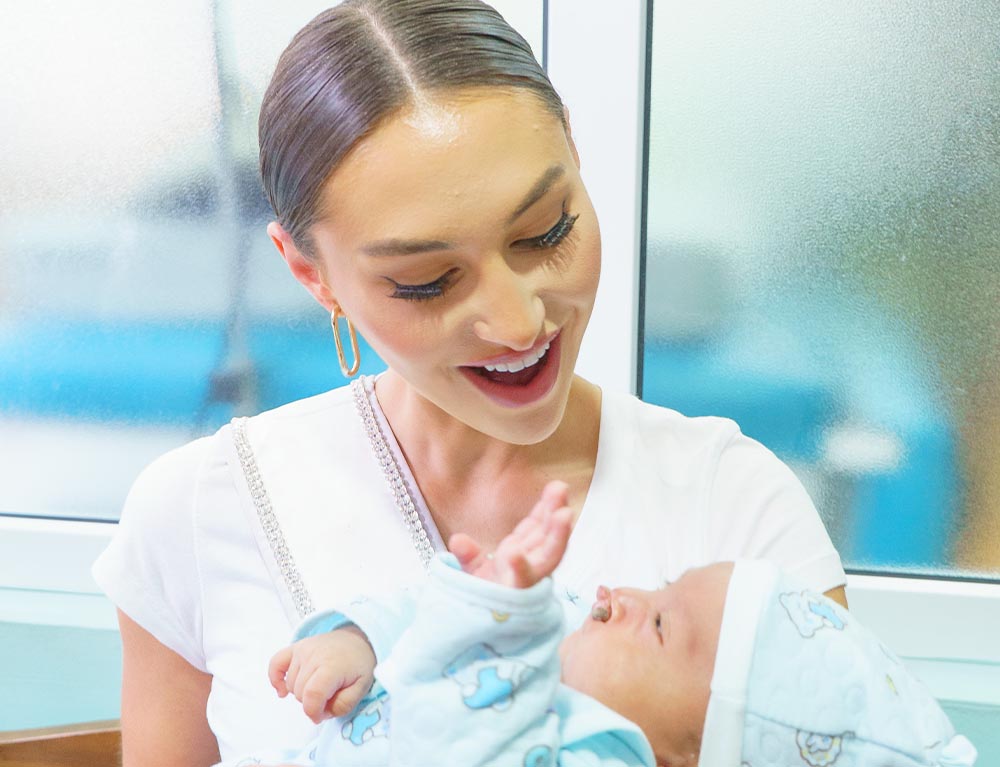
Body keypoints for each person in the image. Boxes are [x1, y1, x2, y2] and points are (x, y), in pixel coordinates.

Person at [91, 2, 848, 765]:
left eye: (547, 231)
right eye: (427, 281)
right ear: (310, 273)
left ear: (578, 158)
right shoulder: (199, 510)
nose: (520, 324)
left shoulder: (733, 508)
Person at [261, 482, 976, 767]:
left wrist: (495, 622)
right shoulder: (561, 620)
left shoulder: (596, 756)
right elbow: (420, 607)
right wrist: (355, 638)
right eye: (661, 586)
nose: (622, 594)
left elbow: (460, 749)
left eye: (661, 622)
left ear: (686, 756)